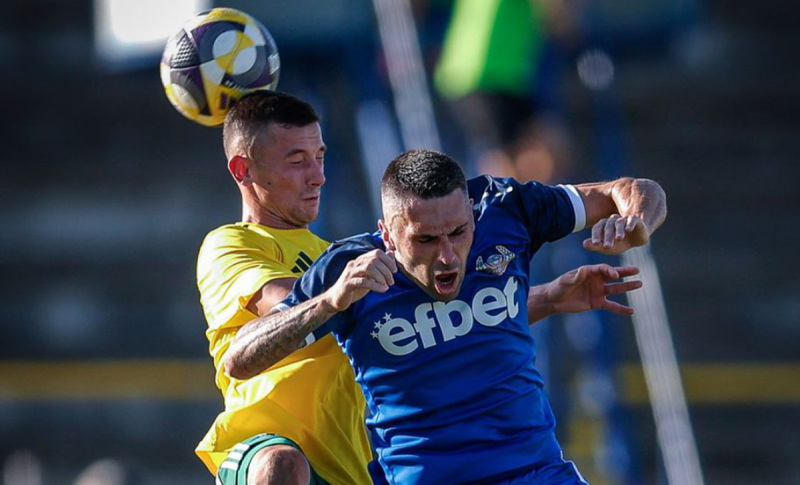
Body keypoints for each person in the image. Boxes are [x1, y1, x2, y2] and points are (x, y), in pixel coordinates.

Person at [197, 92, 644, 485]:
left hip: (351, 462)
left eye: (320, 156)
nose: (318, 176)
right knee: (278, 467)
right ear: (243, 169)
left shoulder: (340, 255)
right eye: (297, 161)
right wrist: (337, 297)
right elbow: (284, 309)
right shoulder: (235, 245)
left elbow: (431, 318)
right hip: (270, 445)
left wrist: (547, 297)